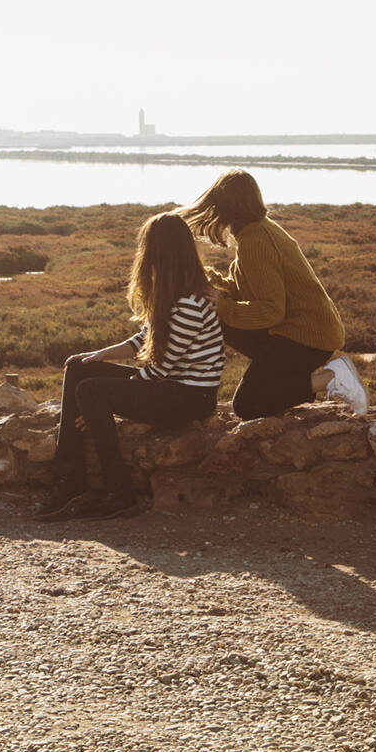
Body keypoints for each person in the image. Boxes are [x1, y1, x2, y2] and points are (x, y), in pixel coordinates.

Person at [35, 212, 224, 521]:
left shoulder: (191, 302)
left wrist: (106, 402)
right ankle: (70, 479)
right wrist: (98, 355)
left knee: (92, 392)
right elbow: (144, 339)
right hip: (169, 385)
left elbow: (161, 368)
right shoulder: (173, 290)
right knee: (79, 368)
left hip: (190, 397)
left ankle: (118, 491)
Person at [177, 170, 368, 419]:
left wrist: (222, 306)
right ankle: (274, 379)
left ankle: (332, 378)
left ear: (226, 206)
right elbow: (246, 291)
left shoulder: (255, 241)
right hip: (294, 331)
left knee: (248, 404)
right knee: (215, 314)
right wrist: (208, 281)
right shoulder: (256, 232)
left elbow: (271, 311)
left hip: (307, 337)